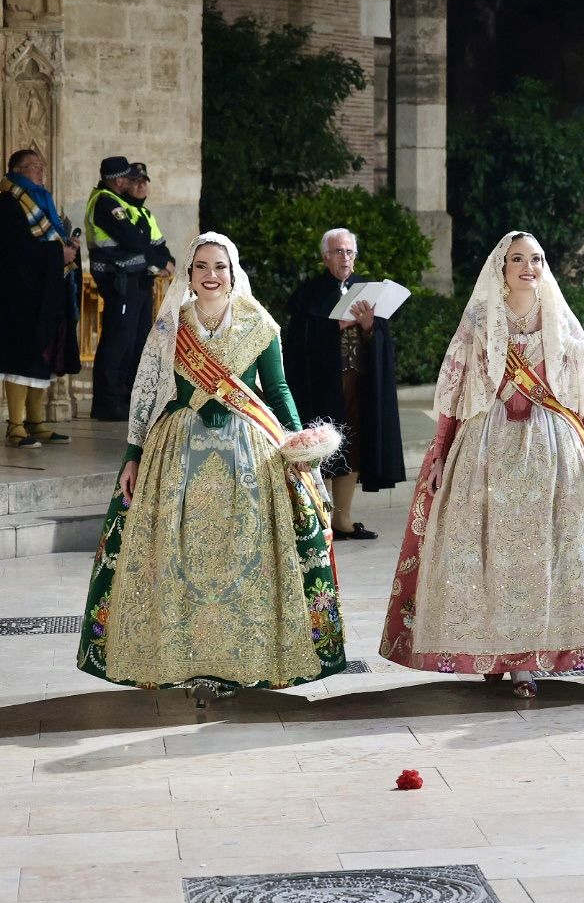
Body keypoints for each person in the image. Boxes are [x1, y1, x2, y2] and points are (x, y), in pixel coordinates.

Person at [78, 234, 347, 706]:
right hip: (178, 453)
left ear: (232, 270)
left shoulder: (257, 322)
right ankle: (185, 659)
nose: (210, 275)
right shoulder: (170, 326)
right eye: (201, 266)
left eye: (219, 266)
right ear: (189, 273)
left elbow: (278, 389)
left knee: (244, 556)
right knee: (179, 557)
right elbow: (146, 395)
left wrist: (298, 442)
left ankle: (244, 659)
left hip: (247, 455)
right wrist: (132, 457)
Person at [379, 232, 584, 697]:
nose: (529, 266)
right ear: (501, 268)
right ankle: (493, 650)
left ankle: (528, 659)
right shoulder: (481, 321)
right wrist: (441, 451)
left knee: (546, 554)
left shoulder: (562, 323)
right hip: (486, 447)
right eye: (518, 259)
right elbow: (455, 392)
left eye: (537, 259)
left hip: (554, 450)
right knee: (490, 554)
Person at [282, 228, 406, 539]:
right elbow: (298, 340)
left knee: (354, 447)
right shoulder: (310, 293)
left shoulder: (366, 289)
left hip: (358, 382)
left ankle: (343, 518)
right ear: (325, 257)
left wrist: (368, 327)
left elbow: (380, 339)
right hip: (322, 385)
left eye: (349, 252)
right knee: (323, 446)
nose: (345, 257)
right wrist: (334, 327)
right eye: (338, 252)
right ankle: (319, 518)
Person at [0, 147, 79, 448]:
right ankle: (16, 425)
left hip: (45, 291)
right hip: (19, 295)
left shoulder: (40, 203)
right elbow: (15, 250)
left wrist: (67, 248)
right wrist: (59, 253)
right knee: (21, 357)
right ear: (16, 170)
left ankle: (37, 421)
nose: (41, 171)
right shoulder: (9, 203)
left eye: (43, 166)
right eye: (34, 166)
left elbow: (48, 243)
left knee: (43, 356)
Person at [86, 156, 167, 420]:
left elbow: (147, 242)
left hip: (135, 281)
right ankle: (107, 403)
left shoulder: (123, 204)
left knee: (134, 341)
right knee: (117, 341)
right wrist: (154, 255)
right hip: (117, 280)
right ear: (116, 179)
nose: (129, 183)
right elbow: (133, 240)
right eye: (126, 178)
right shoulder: (105, 202)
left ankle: (124, 399)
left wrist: (159, 257)